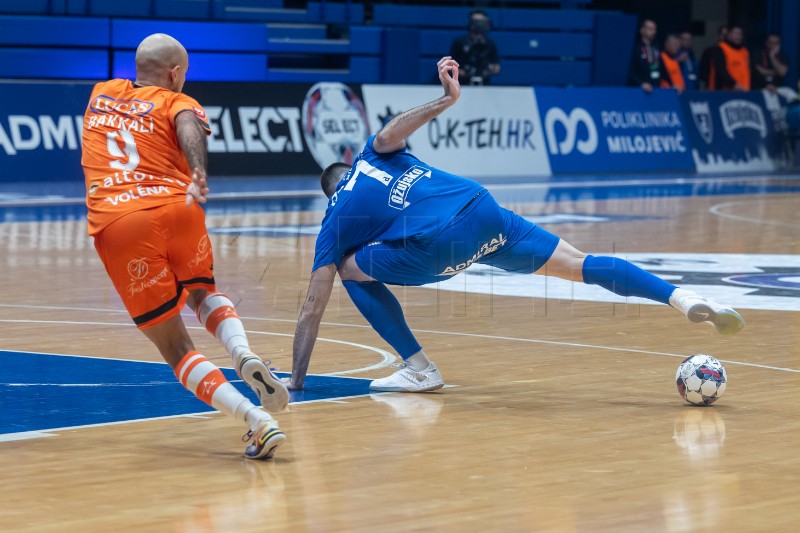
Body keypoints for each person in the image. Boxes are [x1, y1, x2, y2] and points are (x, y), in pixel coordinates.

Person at [283, 56, 746, 393]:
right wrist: (447, 98)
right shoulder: (373, 151)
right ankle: (682, 296)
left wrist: (297, 381)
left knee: (348, 268)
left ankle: (420, 368)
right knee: (582, 263)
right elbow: (393, 129)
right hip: (482, 207)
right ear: (349, 163)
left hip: (439, 245)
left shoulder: (334, 218)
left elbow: (311, 308)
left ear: (329, 192)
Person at [80, 33, 288, 459]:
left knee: (176, 348)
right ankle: (243, 352)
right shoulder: (178, 100)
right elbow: (187, 124)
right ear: (175, 74)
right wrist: (197, 170)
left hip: (122, 222)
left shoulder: (100, 93)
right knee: (202, 292)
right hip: (180, 207)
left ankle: (257, 420)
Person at [450, 10, 500, 86]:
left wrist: (489, 69)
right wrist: (459, 71)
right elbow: (451, 64)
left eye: (481, 22)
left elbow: (496, 67)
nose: (479, 25)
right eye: (476, 21)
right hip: (463, 84)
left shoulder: (490, 44)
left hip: (484, 83)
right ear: (470, 23)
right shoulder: (460, 42)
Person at [707, 25, 750, 91]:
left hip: (744, 91)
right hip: (725, 92)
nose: (739, 37)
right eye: (736, 34)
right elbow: (721, 70)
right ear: (729, 35)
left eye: (740, 34)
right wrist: (734, 84)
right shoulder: (720, 49)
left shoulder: (744, 51)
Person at [628, 19, 660, 93]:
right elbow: (631, 72)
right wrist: (641, 84)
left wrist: (672, 84)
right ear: (642, 30)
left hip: (656, 90)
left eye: (654, 29)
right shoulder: (635, 49)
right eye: (650, 29)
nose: (653, 32)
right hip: (639, 91)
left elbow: (661, 69)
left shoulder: (656, 49)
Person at [699, 25, 727, 89]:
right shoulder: (710, 51)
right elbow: (703, 69)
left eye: (726, 35)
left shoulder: (736, 52)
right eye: (723, 34)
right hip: (713, 86)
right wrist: (708, 78)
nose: (725, 37)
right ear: (719, 35)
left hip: (730, 88)